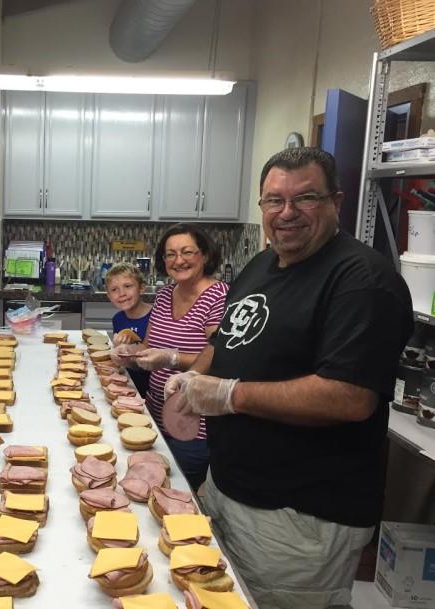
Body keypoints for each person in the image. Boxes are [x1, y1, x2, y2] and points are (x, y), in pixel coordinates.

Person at [166, 147, 413, 609]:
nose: (287, 213)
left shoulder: (362, 280)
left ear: (335, 201)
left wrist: (229, 394)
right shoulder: (264, 264)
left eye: (306, 198)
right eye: (274, 200)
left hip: (297, 517)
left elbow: (349, 397)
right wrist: (193, 377)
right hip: (230, 489)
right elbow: (226, 342)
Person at [115, 224, 228, 490]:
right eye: (170, 254)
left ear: (205, 255)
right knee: (141, 486)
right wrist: (128, 353)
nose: (179, 260)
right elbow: (149, 345)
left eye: (187, 252)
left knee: (170, 491)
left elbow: (220, 355)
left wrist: (171, 359)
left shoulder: (219, 296)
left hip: (193, 421)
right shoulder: (165, 294)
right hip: (153, 413)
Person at [105, 262, 152, 398]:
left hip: (151, 389)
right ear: (109, 296)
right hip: (129, 385)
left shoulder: (155, 317)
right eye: (114, 289)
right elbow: (127, 363)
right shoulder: (118, 319)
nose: (122, 294)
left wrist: (132, 350)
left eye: (127, 286)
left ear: (142, 288)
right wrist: (120, 351)